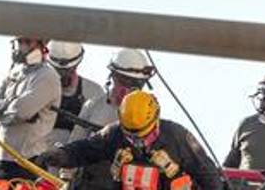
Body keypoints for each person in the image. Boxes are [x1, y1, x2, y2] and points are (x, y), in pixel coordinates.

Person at [39, 90, 224, 190]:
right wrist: (61, 155)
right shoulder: (114, 134)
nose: (139, 142)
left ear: (156, 119)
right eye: (131, 137)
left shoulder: (178, 137)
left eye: (145, 136)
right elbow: (86, 149)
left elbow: (207, 175)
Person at [65, 47, 156, 189]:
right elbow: (74, 146)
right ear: (112, 77)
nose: (126, 91)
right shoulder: (94, 106)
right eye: (122, 82)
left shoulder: (149, 115)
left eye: (134, 86)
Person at [0, 36, 61, 180]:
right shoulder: (15, 73)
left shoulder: (47, 76)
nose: (21, 46)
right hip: (0, 160)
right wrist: (10, 104)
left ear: (41, 46)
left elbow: (19, 113)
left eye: (28, 42)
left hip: (27, 162)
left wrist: (1, 109)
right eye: (19, 41)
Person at [45, 41, 105, 148]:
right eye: (57, 70)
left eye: (68, 70)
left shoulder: (94, 92)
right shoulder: (35, 89)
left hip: (74, 158)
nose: (62, 76)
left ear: (77, 65)